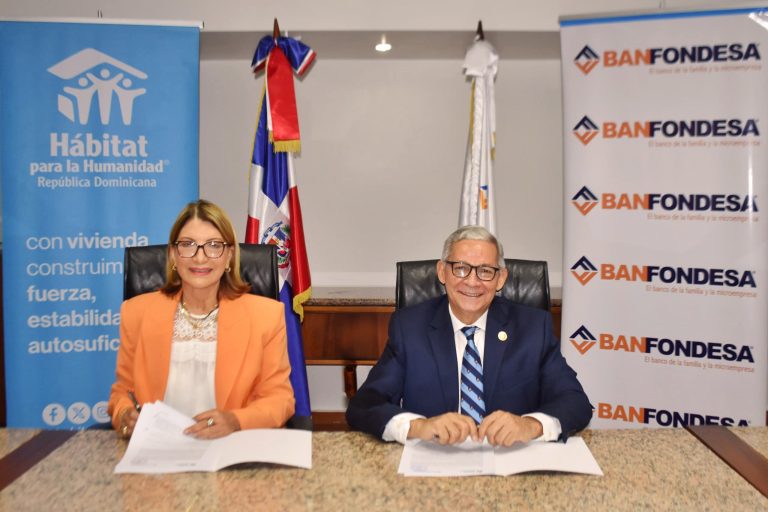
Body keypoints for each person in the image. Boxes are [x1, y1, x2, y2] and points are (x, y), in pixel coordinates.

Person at [346, 225, 591, 446]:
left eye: (485, 271)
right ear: (442, 272)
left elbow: (575, 401)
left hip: (510, 463)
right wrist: (418, 427)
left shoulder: (533, 328)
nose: (472, 282)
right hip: (434, 463)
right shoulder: (410, 328)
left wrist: (531, 425)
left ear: (500, 278)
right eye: (461, 268)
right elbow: (365, 404)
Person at [108, 199, 295, 439]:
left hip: (231, 445)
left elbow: (280, 400)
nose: (199, 258)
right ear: (173, 254)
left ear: (229, 256)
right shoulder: (136, 312)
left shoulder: (266, 316)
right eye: (188, 245)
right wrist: (125, 415)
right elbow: (122, 393)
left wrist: (236, 421)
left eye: (214, 245)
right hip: (159, 447)